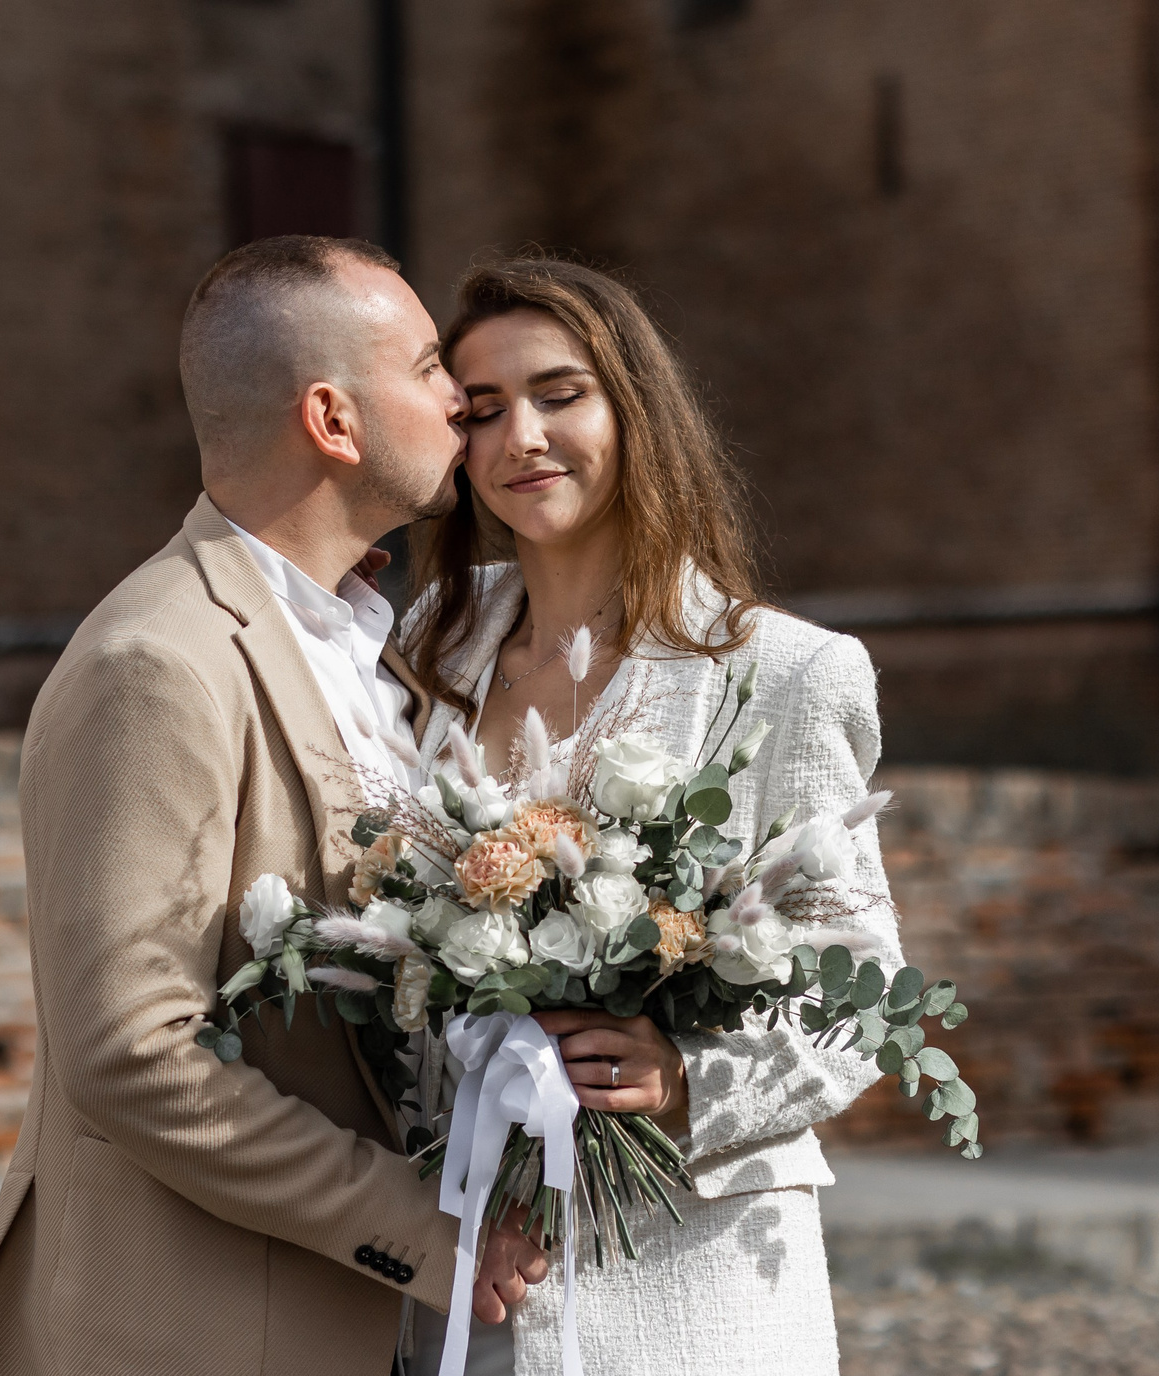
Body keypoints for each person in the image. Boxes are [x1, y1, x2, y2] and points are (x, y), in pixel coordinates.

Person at [0, 236, 548, 1376]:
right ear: (332, 418)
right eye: (426, 369)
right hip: (196, 1324)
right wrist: (425, 1228)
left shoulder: (373, 646)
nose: (459, 399)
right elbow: (129, 1048)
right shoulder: (157, 660)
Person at [400, 256, 906, 1376]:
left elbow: (853, 987)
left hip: (691, 1276)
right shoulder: (430, 643)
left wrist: (682, 1076)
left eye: (558, 393)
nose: (519, 437)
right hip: (466, 1273)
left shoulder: (783, 673)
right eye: (479, 411)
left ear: (634, 405)